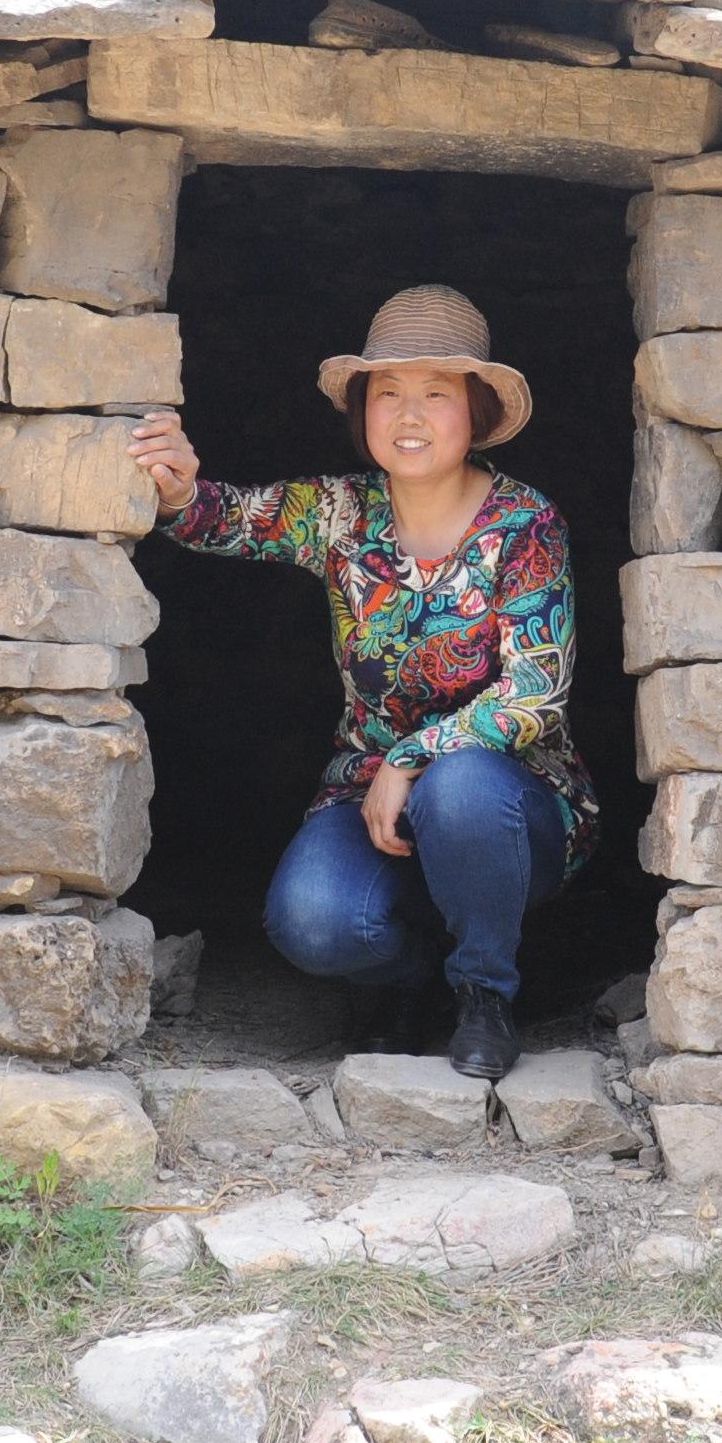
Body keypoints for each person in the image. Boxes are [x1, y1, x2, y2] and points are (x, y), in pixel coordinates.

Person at [130, 285, 595, 1081]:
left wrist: (413, 757)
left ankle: (485, 994)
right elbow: (230, 517)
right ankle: (410, 983)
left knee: (463, 790)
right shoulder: (345, 514)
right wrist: (176, 487)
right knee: (313, 922)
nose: (409, 416)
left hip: (511, 806)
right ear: (363, 412)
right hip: (366, 798)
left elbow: (535, 693)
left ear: (477, 414)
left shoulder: (526, 525)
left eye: (436, 395)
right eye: (388, 394)